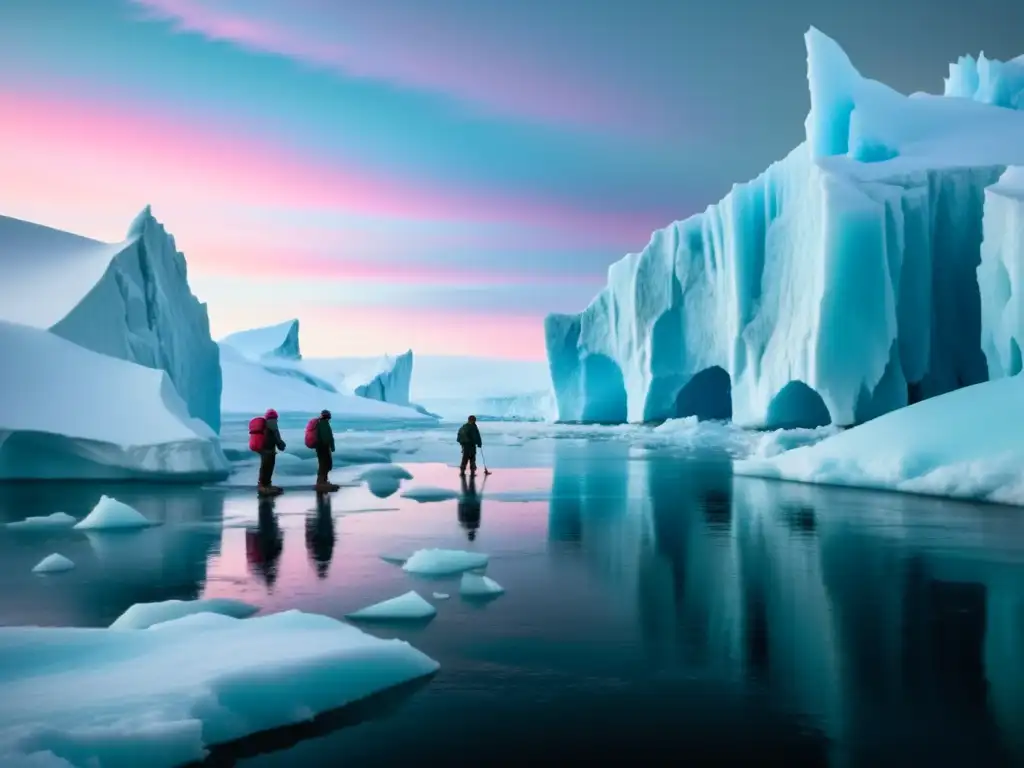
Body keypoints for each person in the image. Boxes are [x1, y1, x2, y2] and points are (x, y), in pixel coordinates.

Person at [258, 408, 286, 495]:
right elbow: (277, 438)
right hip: (270, 451)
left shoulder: (264, 425)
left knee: (264, 468)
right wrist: (281, 445)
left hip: (263, 450)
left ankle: (263, 485)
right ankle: (265, 486)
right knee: (268, 468)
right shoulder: (273, 425)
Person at [313, 409, 338, 490]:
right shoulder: (324, 424)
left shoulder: (320, 423)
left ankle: (322, 481)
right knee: (325, 464)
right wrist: (331, 446)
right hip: (324, 447)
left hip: (320, 447)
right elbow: (328, 437)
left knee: (323, 464)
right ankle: (321, 482)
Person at [457, 472, 483, 541]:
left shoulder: (474, 525)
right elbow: (478, 512)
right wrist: (460, 504)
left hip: (470, 502)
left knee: (467, 486)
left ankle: (466, 476)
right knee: (468, 486)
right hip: (469, 502)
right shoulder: (466, 525)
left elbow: (478, 512)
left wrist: (478, 502)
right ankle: (467, 476)